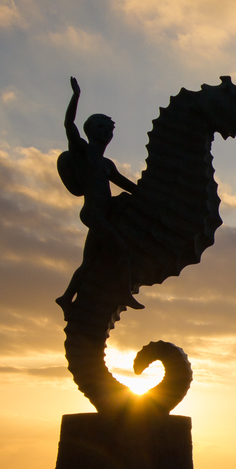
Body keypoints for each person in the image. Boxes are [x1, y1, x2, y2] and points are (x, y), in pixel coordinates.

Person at [55, 76, 144, 316]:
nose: (106, 131)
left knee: (89, 263)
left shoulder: (107, 164)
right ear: (89, 131)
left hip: (104, 213)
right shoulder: (83, 152)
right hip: (93, 213)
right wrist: (76, 96)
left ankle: (65, 297)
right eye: (100, 127)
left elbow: (129, 186)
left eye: (109, 129)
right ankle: (124, 292)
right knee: (124, 251)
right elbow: (68, 124)